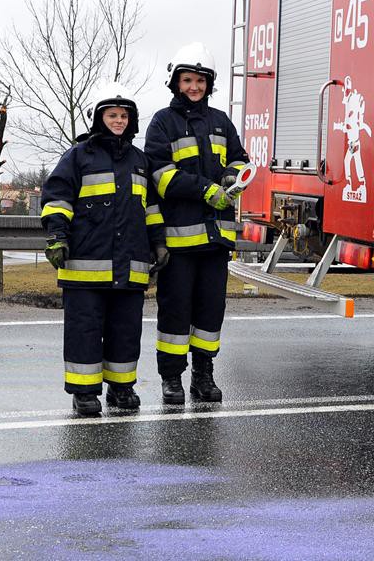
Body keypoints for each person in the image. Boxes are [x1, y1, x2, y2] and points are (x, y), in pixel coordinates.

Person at [41, 83, 169, 417]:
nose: (118, 120)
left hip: (130, 264)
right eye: (111, 115)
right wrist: (57, 237)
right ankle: (84, 393)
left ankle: (121, 389)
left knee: (125, 331)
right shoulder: (77, 156)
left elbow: (151, 209)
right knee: (84, 330)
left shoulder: (140, 161)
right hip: (85, 265)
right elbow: (57, 198)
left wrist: (158, 243)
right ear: (98, 118)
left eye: (124, 115)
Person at [145, 42, 249, 404]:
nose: (194, 86)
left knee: (209, 311)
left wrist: (232, 180)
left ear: (209, 83)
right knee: (175, 312)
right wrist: (207, 190)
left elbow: (239, 159)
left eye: (200, 80)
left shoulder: (221, 121)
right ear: (175, 82)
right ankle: (171, 379)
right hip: (179, 242)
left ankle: (203, 376)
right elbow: (161, 176)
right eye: (187, 80)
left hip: (216, 240)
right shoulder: (162, 122)